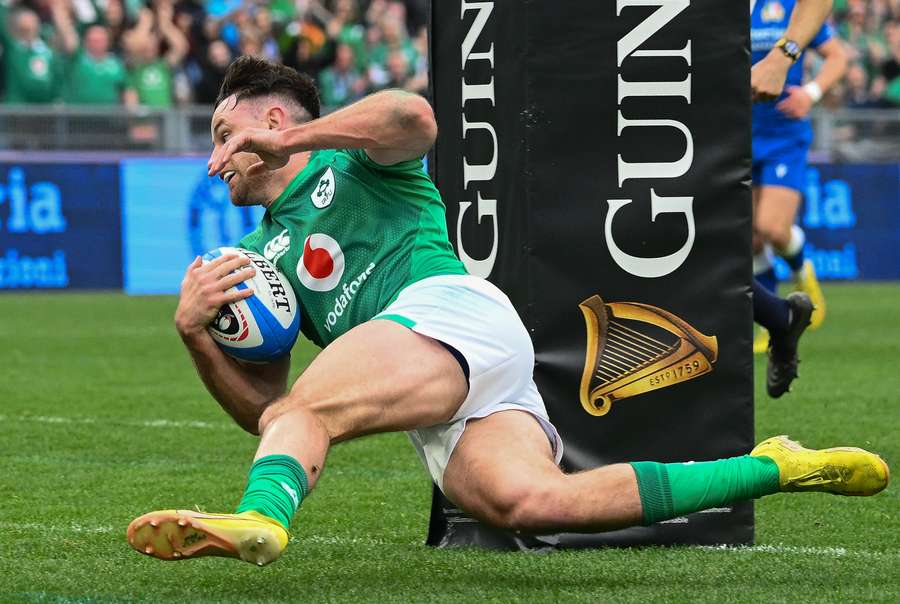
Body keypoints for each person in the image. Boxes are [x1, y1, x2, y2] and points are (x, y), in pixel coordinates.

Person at [126, 57, 889, 566]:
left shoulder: (348, 156)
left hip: (449, 313)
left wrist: (296, 137)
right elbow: (268, 413)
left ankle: (263, 522)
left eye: (226, 132)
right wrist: (194, 332)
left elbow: (414, 119)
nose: (215, 157)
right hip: (445, 384)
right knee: (531, 503)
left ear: (274, 119)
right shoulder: (252, 263)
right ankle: (772, 466)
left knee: (311, 409)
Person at [749, 0, 848, 348]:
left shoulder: (791, 6)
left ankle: (801, 271)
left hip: (782, 134)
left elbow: (838, 56)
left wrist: (811, 93)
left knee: (772, 227)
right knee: (751, 239)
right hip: (738, 134)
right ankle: (769, 324)